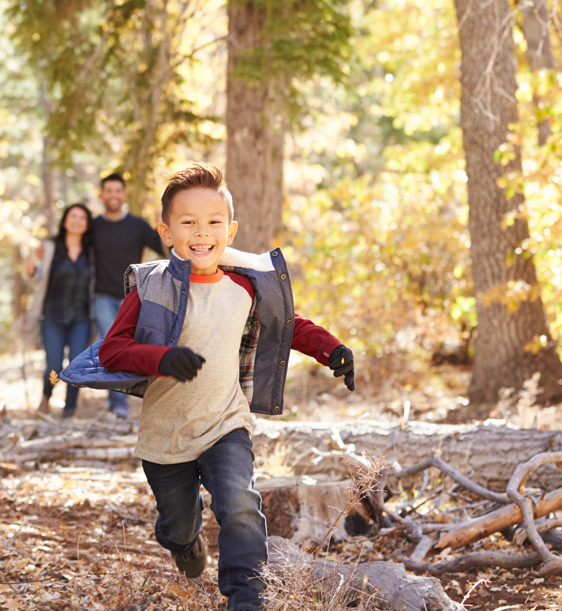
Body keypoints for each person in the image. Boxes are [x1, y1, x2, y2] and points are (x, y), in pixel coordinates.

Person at [61, 164, 355, 611]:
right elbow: (113, 350)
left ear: (230, 230)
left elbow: (287, 327)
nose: (202, 233)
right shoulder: (150, 286)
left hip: (225, 422)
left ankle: (247, 598)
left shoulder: (245, 283)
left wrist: (331, 349)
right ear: (166, 231)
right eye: (188, 223)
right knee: (177, 526)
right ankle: (185, 541)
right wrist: (161, 358)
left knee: (239, 504)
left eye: (214, 222)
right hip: (166, 435)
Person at [92, 172, 166, 418]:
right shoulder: (94, 226)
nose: (113, 195)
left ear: (123, 194)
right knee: (109, 343)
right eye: (108, 191)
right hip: (102, 296)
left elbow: (166, 248)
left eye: (117, 191)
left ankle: (119, 398)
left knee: (124, 347)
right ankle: (118, 403)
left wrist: (162, 227)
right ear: (101, 195)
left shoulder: (137, 225)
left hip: (131, 297)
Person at [20, 204, 95, 418]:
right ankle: (45, 398)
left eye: (82, 217)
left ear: (87, 224)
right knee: (54, 364)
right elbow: (37, 278)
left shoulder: (91, 252)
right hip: (52, 316)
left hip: (81, 318)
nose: (77, 220)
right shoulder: (50, 246)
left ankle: (69, 411)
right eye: (73, 216)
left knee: (76, 366)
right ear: (65, 221)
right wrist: (31, 270)